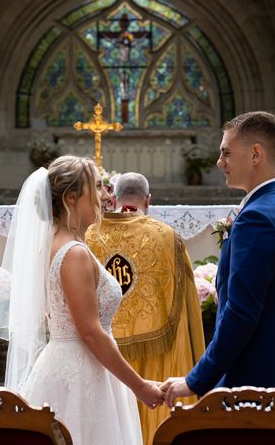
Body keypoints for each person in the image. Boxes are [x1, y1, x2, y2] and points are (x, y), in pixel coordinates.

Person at [0, 156, 164, 445]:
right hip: (82, 377)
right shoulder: (73, 253)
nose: (107, 196)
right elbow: (90, 332)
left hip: (73, 366)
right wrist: (140, 386)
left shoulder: (55, 244)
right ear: (72, 197)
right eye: (97, 187)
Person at [161, 111, 275, 405]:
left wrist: (195, 380)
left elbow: (241, 314)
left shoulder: (257, 217)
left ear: (256, 154)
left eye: (227, 153)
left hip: (256, 380)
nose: (220, 163)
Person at [86, 172, 205, 445]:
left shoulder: (88, 234)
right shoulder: (168, 237)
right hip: (157, 366)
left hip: (101, 356)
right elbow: (189, 310)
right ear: (148, 200)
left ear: (112, 198)